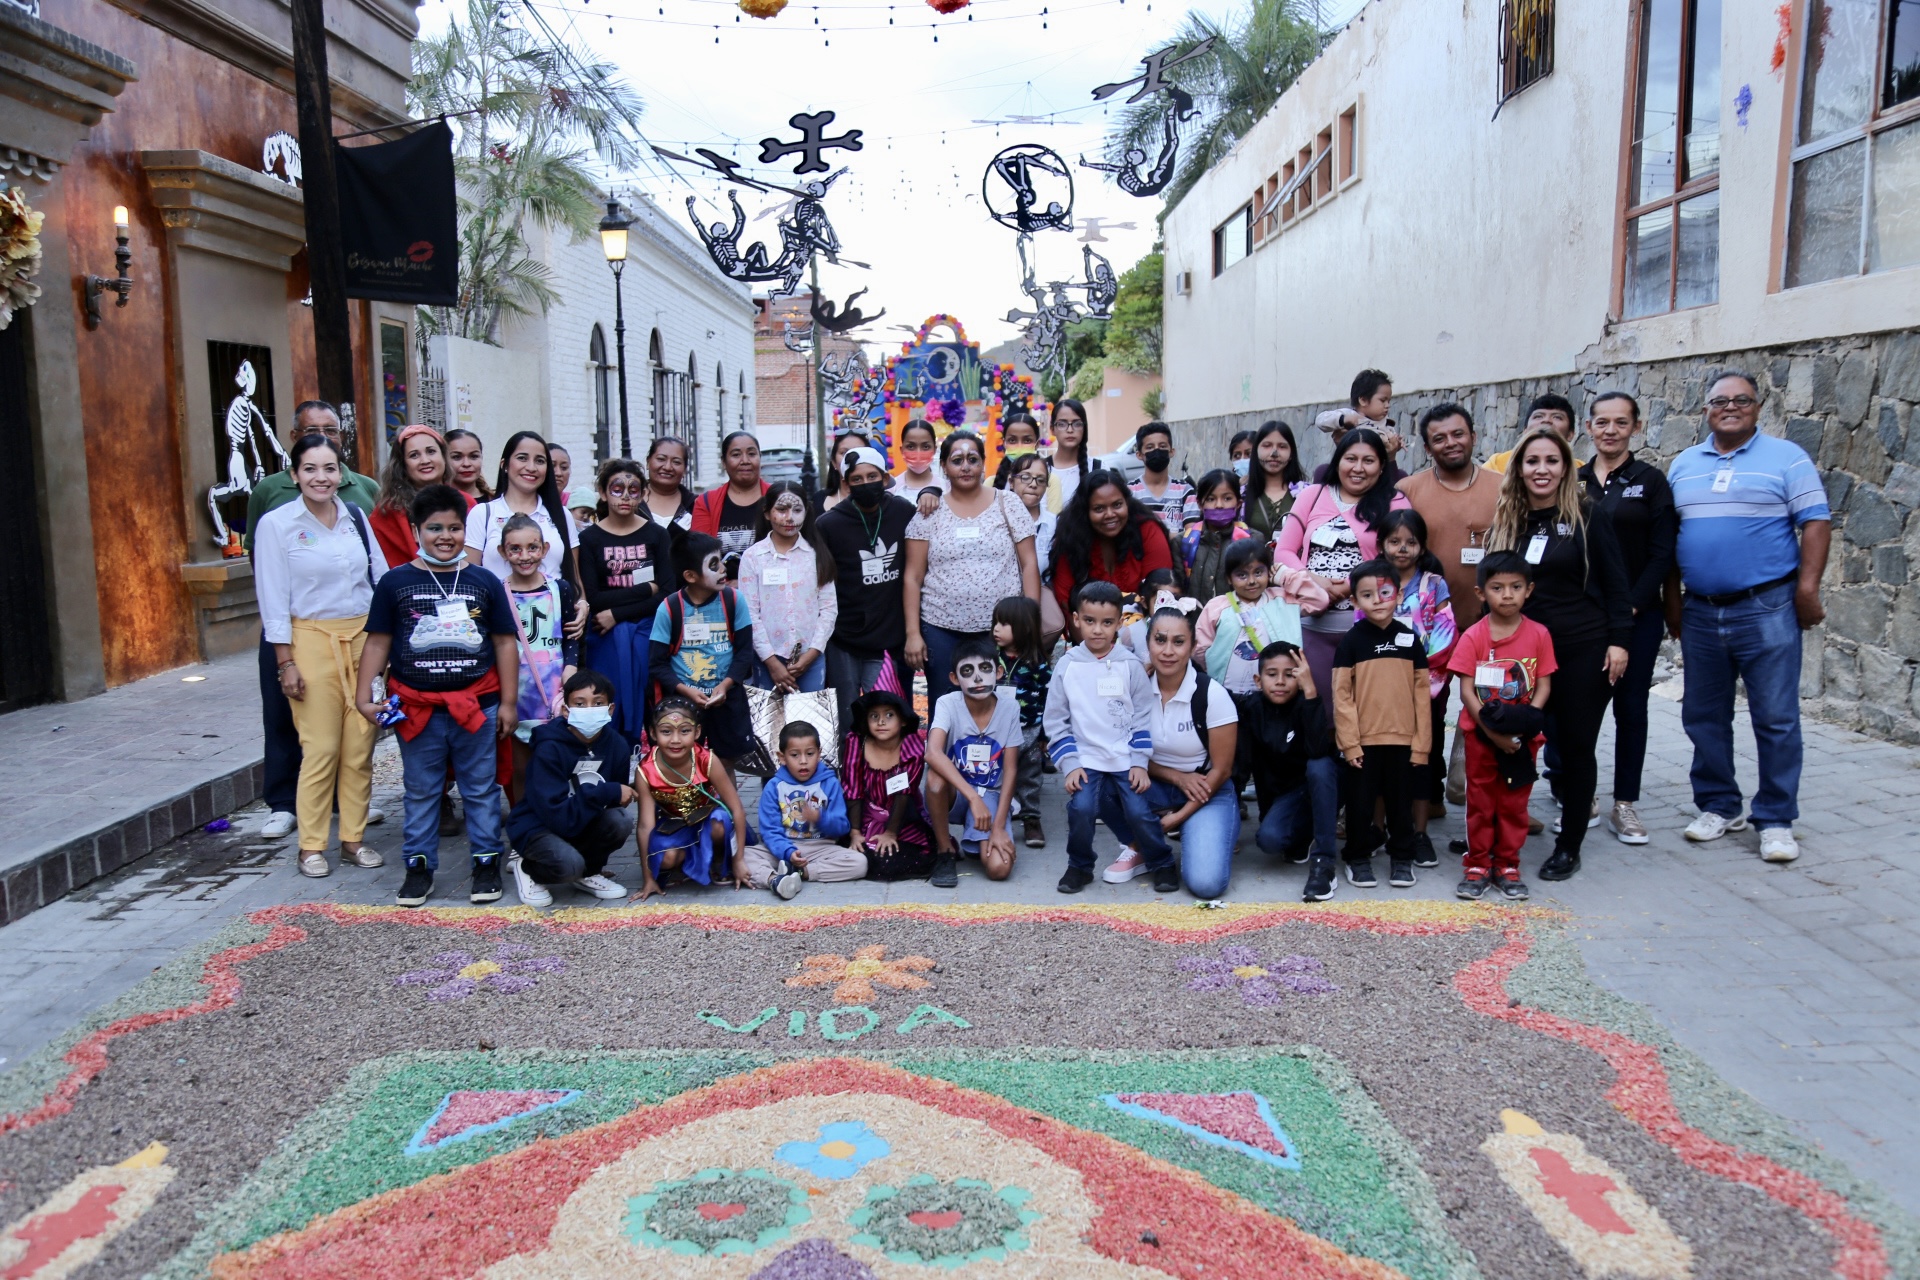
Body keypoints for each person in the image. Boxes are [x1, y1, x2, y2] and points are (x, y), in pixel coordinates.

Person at [1668, 371, 1830, 864]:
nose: (1731, 407)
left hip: (1767, 607)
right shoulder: (1683, 465)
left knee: (1776, 718)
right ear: (1706, 411)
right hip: (1700, 610)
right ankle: (1719, 805)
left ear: (1758, 408)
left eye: (1743, 400)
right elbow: (1671, 539)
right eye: (1721, 400)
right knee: (1703, 715)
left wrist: (1807, 588)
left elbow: (1816, 523)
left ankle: (1776, 819)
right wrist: (1673, 602)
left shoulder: (1787, 459)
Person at [354, 483, 520, 908]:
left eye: (454, 527)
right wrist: (364, 695)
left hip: (476, 706)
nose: (445, 536)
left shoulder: (484, 581)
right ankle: (419, 866)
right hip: (416, 709)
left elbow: (504, 642)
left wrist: (507, 702)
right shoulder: (396, 583)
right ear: (415, 530)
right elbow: (378, 642)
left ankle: (485, 863)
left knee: (480, 789)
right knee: (422, 789)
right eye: (434, 528)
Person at [1485, 427, 1632, 881]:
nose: (1541, 470)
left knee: (1574, 747)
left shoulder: (1587, 514)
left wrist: (1620, 640)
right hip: (1520, 653)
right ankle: (1497, 833)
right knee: (1509, 739)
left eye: (1552, 461)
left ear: (1566, 467)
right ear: (1519, 468)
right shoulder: (1507, 518)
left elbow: (1615, 581)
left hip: (1581, 647)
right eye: (1532, 462)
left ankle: (1569, 845)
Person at [254, 432, 388, 877]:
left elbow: (379, 578)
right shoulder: (277, 524)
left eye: (329, 468)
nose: (320, 477)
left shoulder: (353, 515)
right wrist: (285, 661)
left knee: (360, 744)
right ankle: (311, 845)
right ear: (294, 475)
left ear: (340, 473)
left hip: (362, 638)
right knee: (322, 746)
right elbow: (272, 597)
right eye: (310, 468)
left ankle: (353, 839)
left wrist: (385, 641)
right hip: (309, 637)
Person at [1578, 391, 1676, 846]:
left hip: (1638, 614)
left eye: (1620, 422)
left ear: (1635, 427)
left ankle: (1625, 803)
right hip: (1585, 620)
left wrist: (1630, 605)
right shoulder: (1573, 482)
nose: (1610, 430)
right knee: (1579, 710)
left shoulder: (1650, 481)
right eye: (1602, 422)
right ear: (1589, 427)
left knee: (1631, 708)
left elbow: (1662, 554)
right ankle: (1581, 796)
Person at [1397, 403, 1500, 808]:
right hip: (1428, 630)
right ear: (1427, 446)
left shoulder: (1502, 486)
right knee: (1429, 710)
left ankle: (1494, 798)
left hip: (1488, 623)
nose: (1450, 443)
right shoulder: (1409, 490)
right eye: (1439, 438)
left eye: (1458, 434)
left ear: (1473, 436)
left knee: (1493, 706)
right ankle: (1430, 791)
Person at [1046, 581, 1175, 894]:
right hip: (1085, 758)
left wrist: (1140, 762)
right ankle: (1079, 866)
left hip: (1125, 758)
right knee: (1081, 809)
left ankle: (1161, 862)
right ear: (1076, 619)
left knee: (1139, 812)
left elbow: (1144, 716)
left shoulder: (1129, 665)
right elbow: (1055, 720)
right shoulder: (1067, 665)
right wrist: (1070, 763)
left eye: (1107, 623)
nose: (1097, 630)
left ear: (1119, 622)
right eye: (1089, 621)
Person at [1447, 551, 1556, 901]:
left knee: (1513, 803)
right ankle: (1477, 865)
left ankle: (1508, 864)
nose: (1507, 595)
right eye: (1497, 587)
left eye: (1515, 587)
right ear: (1482, 593)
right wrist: (1493, 732)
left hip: (1524, 740)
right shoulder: (1474, 637)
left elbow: (1543, 685)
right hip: (1482, 737)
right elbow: (1466, 691)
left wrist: (1524, 728)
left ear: (1529, 590)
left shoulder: (1539, 634)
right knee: (1480, 802)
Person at [1275, 427, 1413, 696]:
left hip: (1369, 627)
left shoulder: (1395, 503)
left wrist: (1351, 586)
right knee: (1317, 710)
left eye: (1368, 460)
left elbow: (1399, 559)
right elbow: (1283, 552)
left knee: (1365, 711)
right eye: (1350, 459)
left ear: (1382, 466)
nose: (1358, 468)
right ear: (1337, 461)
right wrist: (1313, 580)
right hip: (1309, 627)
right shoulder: (1312, 495)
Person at [904, 430, 1040, 699]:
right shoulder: (929, 512)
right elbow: (912, 577)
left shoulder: (1008, 503)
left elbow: (1029, 565)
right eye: (957, 460)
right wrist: (913, 633)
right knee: (945, 705)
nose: (965, 466)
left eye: (972, 459)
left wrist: (1028, 623)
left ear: (983, 464)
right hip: (941, 629)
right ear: (943, 466)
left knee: (999, 705)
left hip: (1002, 630)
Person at [1331, 558, 1431, 891]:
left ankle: (1401, 857)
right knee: (1359, 805)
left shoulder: (1409, 640)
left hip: (1404, 742)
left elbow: (1422, 697)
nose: (1378, 600)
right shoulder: (1351, 642)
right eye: (1368, 595)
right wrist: (1349, 743)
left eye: (1385, 592)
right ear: (1355, 601)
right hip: (1363, 742)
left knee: (1400, 805)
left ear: (1398, 595)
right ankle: (1357, 857)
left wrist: (1422, 744)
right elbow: (1341, 696)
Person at [504, 669, 633, 906]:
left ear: (610, 709)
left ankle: (588, 872)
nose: (589, 710)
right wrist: (608, 791)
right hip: (540, 825)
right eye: (580, 704)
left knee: (620, 820)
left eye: (598, 703)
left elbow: (612, 806)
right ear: (566, 710)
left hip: (580, 819)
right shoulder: (549, 748)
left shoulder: (617, 746)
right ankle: (529, 869)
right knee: (568, 865)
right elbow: (556, 816)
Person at [1136, 607, 1240, 898]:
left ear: (1193, 646)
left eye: (1179, 642)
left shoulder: (1212, 695)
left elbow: (1222, 770)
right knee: (1101, 786)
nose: (1168, 651)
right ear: (1148, 643)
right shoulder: (1135, 688)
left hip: (1207, 790)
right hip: (1154, 784)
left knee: (1206, 884)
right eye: (1160, 640)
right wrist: (1178, 778)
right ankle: (1141, 845)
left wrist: (1177, 818)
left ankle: (1193, 828)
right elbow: (1119, 752)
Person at [1378, 508, 1458, 865]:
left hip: (1427, 687)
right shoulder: (1374, 583)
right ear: (1381, 545)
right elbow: (1364, 629)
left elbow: (1444, 633)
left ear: (1422, 546)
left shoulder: (1434, 585)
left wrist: (1420, 677)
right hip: (1380, 689)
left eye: (1411, 542)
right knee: (1382, 758)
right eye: (1394, 541)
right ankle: (1377, 829)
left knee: (1422, 758)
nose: (1402, 548)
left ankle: (1419, 832)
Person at [816, 448, 915, 731]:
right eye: (856, 479)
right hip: (844, 639)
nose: (865, 484)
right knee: (845, 719)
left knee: (886, 717)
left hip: (888, 639)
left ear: (885, 478)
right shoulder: (828, 524)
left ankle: (887, 775)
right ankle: (849, 773)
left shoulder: (903, 511)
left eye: (872, 476)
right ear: (846, 483)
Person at [1236, 642, 1341, 901]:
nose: (1281, 681)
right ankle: (1301, 838)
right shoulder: (1252, 708)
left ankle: (1325, 861)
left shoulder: (1307, 703)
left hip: (1319, 786)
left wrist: (1311, 691)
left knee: (1320, 765)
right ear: (1258, 680)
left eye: (1290, 674)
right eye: (1272, 674)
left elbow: (1318, 750)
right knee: (1269, 840)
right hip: (1282, 797)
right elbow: (1240, 766)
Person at [578, 459, 673, 746]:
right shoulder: (589, 538)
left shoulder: (656, 534)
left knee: (648, 697)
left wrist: (616, 613)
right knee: (609, 698)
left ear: (644, 493)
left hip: (648, 631)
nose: (625, 497)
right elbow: (593, 596)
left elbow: (667, 593)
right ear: (603, 493)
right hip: (604, 635)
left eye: (633, 490)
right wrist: (646, 588)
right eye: (617, 489)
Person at [648, 532, 756, 766]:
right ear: (690, 575)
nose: (723, 570)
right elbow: (657, 663)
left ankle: (725, 803)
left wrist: (726, 685)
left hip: (726, 697)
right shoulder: (669, 608)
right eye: (713, 565)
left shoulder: (735, 600)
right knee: (685, 761)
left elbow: (745, 652)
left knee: (725, 762)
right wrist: (685, 690)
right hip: (684, 701)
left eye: (722, 562)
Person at [465, 433, 585, 638]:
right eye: (522, 458)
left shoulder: (561, 515)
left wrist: (582, 603)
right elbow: (471, 582)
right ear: (504, 464)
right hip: (498, 628)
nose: (531, 467)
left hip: (553, 629)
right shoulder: (483, 514)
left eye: (539, 461)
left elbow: (573, 575)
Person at [632, 695, 751, 898]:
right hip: (674, 825)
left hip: (708, 819)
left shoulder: (707, 760)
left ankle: (721, 858)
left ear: (697, 732)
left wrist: (739, 860)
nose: (675, 740)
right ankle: (692, 859)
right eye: (666, 732)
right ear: (653, 733)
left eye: (685, 731)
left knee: (720, 823)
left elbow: (736, 809)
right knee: (666, 859)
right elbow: (645, 826)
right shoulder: (645, 771)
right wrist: (648, 878)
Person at [925, 638, 1022, 886]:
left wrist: (998, 827)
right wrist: (972, 798)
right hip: (958, 793)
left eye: (985, 669)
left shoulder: (1009, 707)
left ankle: (981, 836)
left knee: (999, 870)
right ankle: (945, 850)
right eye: (968, 671)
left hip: (991, 794)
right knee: (935, 780)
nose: (978, 678)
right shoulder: (948, 703)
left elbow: (1011, 770)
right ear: (955, 679)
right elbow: (933, 753)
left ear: (999, 672)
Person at [499, 514, 580, 804]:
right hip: (518, 692)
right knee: (521, 768)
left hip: (554, 689)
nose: (524, 556)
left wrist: (571, 668)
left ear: (544, 549)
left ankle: (557, 822)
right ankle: (525, 829)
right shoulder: (498, 592)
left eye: (532, 548)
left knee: (557, 764)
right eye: (515, 549)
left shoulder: (559, 589)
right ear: (503, 552)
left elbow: (571, 635)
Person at [738, 481, 838, 694]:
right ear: (767, 513)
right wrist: (772, 662)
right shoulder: (753, 557)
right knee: (771, 724)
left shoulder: (816, 555)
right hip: (767, 659)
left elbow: (829, 609)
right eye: (781, 510)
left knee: (809, 722)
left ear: (807, 512)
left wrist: (812, 654)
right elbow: (749, 613)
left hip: (811, 658)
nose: (789, 517)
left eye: (797, 510)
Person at [241, 400, 379, 551]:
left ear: (341, 436)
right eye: (312, 430)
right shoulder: (267, 490)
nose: (322, 437)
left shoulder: (368, 488)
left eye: (330, 431)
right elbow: (258, 553)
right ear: (294, 436)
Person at [747, 721, 865, 897]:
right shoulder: (774, 786)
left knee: (859, 863)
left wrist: (820, 817)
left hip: (821, 848)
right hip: (783, 848)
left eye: (810, 754)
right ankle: (774, 880)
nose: (803, 761)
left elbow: (842, 827)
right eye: (795, 755)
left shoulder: (829, 783)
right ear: (782, 757)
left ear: (819, 754)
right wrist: (787, 851)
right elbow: (770, 831)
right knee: (742, 855)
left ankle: (803, 873)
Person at [1193, 540, 1328, 694]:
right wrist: (1214, 676)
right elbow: (1200, 650)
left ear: (1269, 572)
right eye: (1242, 575)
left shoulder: (1283, 600)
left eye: (1258, 572)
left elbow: (1320, 601)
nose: (1251, 581)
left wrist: (1285, 576)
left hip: (1276, 695)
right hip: (1227, 694)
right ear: (1229, 579)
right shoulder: (1216, 607)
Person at [1050, 469, 1181, 618]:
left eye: (1117, 505)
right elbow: (1065, 603)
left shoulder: (1147, 531)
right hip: (1086, 635)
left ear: (1127, 503)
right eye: (1099, 508)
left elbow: (1162, 596)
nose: (1110, 514)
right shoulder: (1070, 539)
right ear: (1085, 512)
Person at [842, 688, 937, 881]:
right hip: (862, 816)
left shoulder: (912, 746)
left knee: (896, 860)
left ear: (902, 720)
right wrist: (855, 832)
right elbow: (853, 790)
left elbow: (904, 793)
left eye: (889, 715)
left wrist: (891, 833)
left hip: (902, 818)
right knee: (856, 855)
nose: (881, 722)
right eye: (874, 716)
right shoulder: (857, 742)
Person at [992, 594, 1051, 849]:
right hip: (995, 730)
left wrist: (1045, 736)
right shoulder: (990, 658)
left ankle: (1031, 819)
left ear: (1024, 627)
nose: (996, 628)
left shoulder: (1038, 664)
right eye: (995, 622)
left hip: (1030, 729)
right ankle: (997, 815)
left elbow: (1050, 701)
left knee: (1030, 776)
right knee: (996, 775)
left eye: (1004, 623)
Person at [371, 424, 460, 569]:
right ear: (403, 465)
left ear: (444, 457)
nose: (425, 460)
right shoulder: (387, 513)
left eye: (431, 451)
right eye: (414, 455)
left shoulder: (466, 502)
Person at [692, 431, 769, 578]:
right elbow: (699, 556)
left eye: (752, 454)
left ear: (760, 458)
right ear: (723, 462)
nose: (745, 460)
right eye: (736, 455)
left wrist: (747, 584)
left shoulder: (777, 498)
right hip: (722, 592)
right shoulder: (706, 502)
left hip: (771, 590)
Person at [1180, 469, 1256, 602]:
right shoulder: (1184, 541)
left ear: (1238, 503)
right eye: (1211, 499)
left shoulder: (1252, 539)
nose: (1219, 505)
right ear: (1200, 504)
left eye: (1227, 498)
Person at [1313, 370, 1404, 471]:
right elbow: (1320, 420)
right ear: (1363, 400)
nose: (1387, 405)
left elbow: (1389, 448)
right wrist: (1343, 420)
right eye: (1382, 401)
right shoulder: (1350, 415)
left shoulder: (1386, 423)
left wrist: (1396, 445)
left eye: (1389, 401)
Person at [641, 435, 697, 583]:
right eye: (661, 459)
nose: (667, 467)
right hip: (638, 593)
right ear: (648, 462)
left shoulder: (697, 505)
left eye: (676, 462)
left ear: (685, 469)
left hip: (684, 592)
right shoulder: (631, 503)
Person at [1127, 421, 1197, 537]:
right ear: (1139, 455)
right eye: (1150, 447)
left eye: (1162, 446)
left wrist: (1152, 537)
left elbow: (1192, 535)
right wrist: (1172, 536)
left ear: (1171, 452)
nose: (1157, 450)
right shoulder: (1130, 492)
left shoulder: (1185, 491)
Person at [1242, 420, 1306, 544]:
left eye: (1282, 447)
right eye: (1267, 445)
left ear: (1291, 453)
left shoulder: (1307, 494)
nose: (1274, 453)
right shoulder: (1241, 495)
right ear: (1256, 451)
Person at [1486, 393, 1578, 473]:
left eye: (1557, 417)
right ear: (1525, 430)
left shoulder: (1581, 470)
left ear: (1571, 434)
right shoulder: (1497, 465)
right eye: (1538, 416)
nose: (1546, 420)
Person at [1004, 451, 1057, 570]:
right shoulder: (999, 521)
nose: (1033, 484)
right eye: (1026, 478)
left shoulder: (1054, 525)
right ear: (1011, 482)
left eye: (1041, 480)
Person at [1044, 398, 1093, 514]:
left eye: (1077, 424)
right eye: (1062, 424)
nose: (1070, 430)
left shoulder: (1097, 466)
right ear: (1052, 430)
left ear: (1084, 428)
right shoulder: (1041, 469)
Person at [817, 428, 873, 512]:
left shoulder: (886, 502)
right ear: (834, 462)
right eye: (843, 453)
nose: (851, 457)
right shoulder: (818, 500)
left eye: (859, 451)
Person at [890, 419, 946, 502]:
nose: (918, 453)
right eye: (911, 447)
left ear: (934, 449)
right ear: (902, 450)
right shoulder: (891, 490)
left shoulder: (946, 488)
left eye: (926, 447)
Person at [445, 428, 494, 504]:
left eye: (474, 456)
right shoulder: (437, 502)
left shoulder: (496, 501)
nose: (466, 464)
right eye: (457, 457)